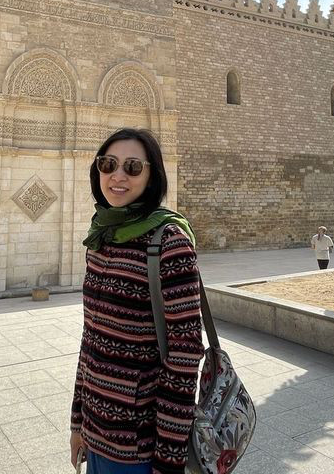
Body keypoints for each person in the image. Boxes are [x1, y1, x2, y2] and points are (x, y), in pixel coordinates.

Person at [69, 128, 203, 474]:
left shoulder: (169, 243)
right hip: (96, 436)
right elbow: (91, 342)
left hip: (139, 449)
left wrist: (168, 461)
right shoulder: (101, 237)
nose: (117, 175)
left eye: (132, 167)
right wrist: (77, 424)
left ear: (152, 175)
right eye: (108, 164)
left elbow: (184, 356)